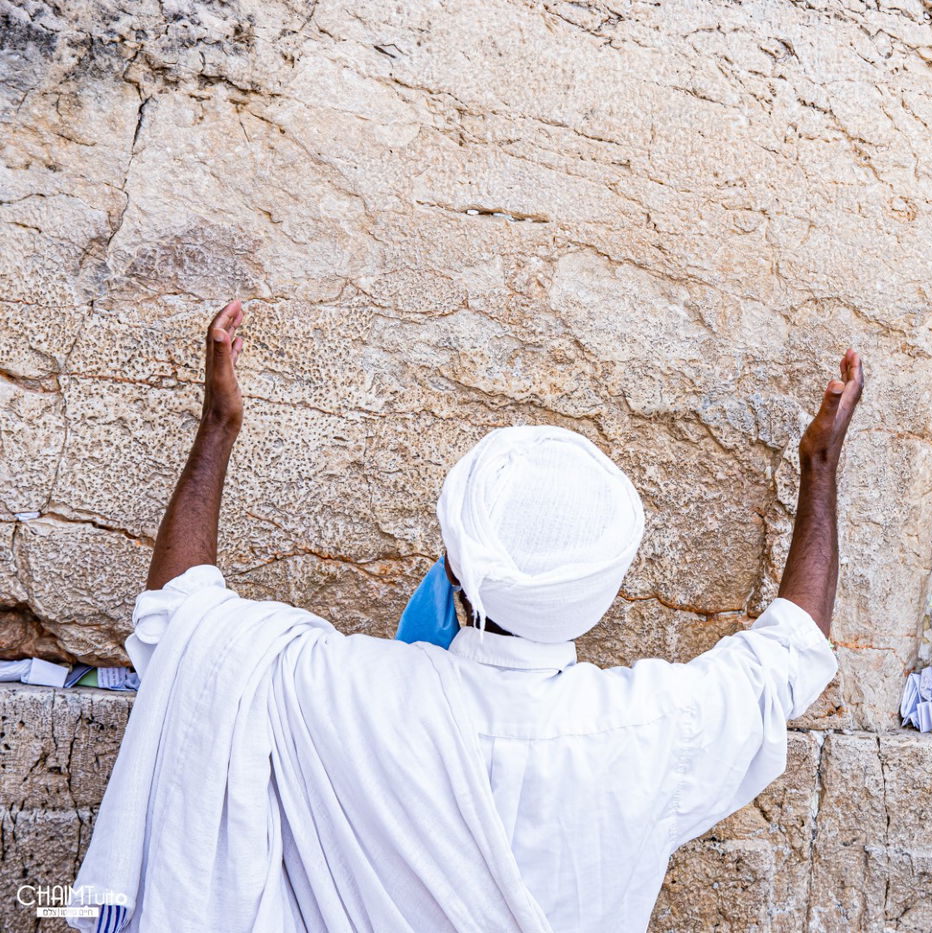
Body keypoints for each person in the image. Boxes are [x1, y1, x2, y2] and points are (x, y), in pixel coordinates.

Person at [71, 300, 865, 932]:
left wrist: (217, 429)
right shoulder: (652, 729)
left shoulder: (344, 693)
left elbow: (179, 623)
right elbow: (790, 651)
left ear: (454, 562)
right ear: (602, 590)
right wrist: (819, 467)